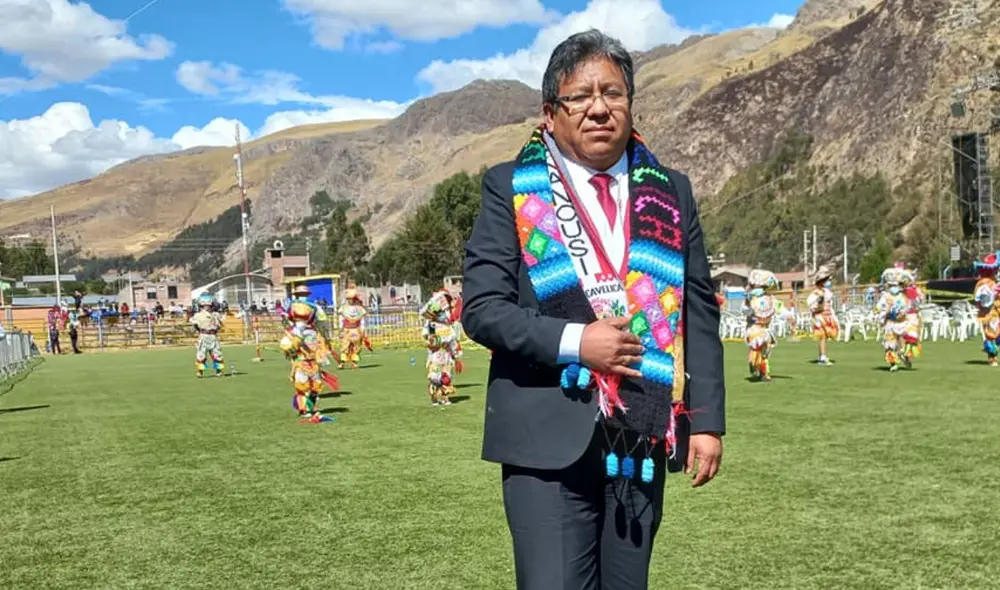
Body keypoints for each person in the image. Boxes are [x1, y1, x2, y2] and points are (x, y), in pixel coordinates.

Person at [461, 29, 725, 590]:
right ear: (550, 113)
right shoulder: (509, 187)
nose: (600, 108)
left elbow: (699, 310)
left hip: (640, 433)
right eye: (580, 96)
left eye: (614, 93)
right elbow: (483, 309)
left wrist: (705, 421)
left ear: (630, 103)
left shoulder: (670, 191)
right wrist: (576, 342)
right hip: (545, 439)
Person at [279, 285, 338, 423]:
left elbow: (322, 325)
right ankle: (304, 409)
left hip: (313, 358)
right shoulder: (294, 326)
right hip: (302, 359)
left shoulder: (313, 310)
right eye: (302, 294)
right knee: (302, 384)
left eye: (304, 294)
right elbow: (287, 344)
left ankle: (311, 407)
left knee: (316, 384)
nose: (303, 297)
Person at [419, 289, 464, 406]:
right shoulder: (430, 325)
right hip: (435, 354)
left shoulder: (448, 326)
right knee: (434, 377)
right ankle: (434, 398)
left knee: (446, 376)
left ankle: (445, 398)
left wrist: (457, 357)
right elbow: (426, 337)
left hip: (446, 355)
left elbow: (453, 341)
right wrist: (431, 341)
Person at [875, 266, 918, 371]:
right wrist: (885, 314)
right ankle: (893, 363)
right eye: (891, 285)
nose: (894, 287)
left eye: (896, 285)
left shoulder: (903, 296)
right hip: (890, 323)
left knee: (911, 337)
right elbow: (879, 309)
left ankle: (905, 354)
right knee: (889, 345)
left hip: (903, 322)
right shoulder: (885, 297)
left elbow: (909, 306)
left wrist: (904, 313)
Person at [743, 269, 779, 381]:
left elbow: (780, 309)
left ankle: (764, 373)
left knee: (765, 353)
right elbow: (746, 311)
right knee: (756, 348)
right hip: (754, 328)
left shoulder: (771, 298)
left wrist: (789, 317)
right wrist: (747, 302)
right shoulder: (750, 298)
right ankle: (754, 366)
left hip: (766, 329)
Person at [806, 265, 838, 365]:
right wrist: (819, 303)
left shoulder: (827, 292)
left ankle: (822, 356)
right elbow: (812, 305)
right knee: (822, 336)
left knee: (825, 337)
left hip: (827, 316)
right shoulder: (816, 293)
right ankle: (822, 357)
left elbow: (830, 304)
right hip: (820, 316)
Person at [973, 252, 1000, 365]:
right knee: (991, 335)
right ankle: (992, 358)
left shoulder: (991, 283)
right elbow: (983, 300)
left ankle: (992, 356)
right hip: (990, 313)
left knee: (995, 335)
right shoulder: (985, 284)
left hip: (995, 312)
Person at [190, 292, 225, 377]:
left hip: (213, 336)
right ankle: (200, 371)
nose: (207, 307)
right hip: (203, 335)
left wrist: (215, 330)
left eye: (208, 305)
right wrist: (201, 331)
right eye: (204, 305)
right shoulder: (198, 315)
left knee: (217, 354)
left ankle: (218, 370)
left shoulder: (216, 315)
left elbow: (219, 325)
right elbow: (195, 325)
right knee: (201, 354)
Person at [337, 284, 369, 369]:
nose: (350, 300)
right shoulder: (343, 308)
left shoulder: (359, 308)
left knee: (357, 347)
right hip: (347, 329)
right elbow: (341, 319)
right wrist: (341, 329)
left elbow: (362, 321)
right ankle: (342, 363)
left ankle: (354, 362)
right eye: (349, 299)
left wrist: (363, 330)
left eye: (351, 299)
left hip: (356, 329)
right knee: (344, 346)